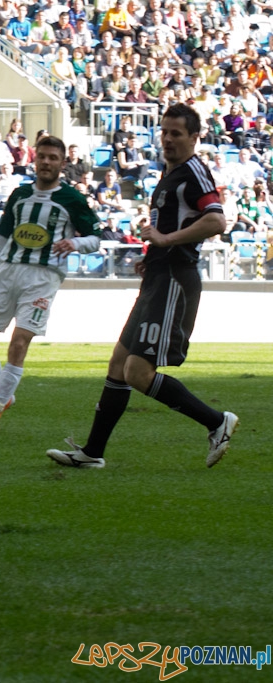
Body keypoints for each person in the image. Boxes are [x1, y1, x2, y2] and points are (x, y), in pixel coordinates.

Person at [47, 104, 238, 469]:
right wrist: (152, 254)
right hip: (158, 275)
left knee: (137, 372)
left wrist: (166, 241)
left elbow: (216, 220)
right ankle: (92, 453)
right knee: (119, 363)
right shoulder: (171, 173)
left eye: (176, 133)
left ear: (195, 137)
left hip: (174, 280)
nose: (167, 139)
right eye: (164, 132)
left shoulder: (194, 173)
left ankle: (217, 422)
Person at [0, 135, 102, 438]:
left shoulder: (72, 199)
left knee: (19, 343)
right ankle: (6, 393)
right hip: (8, 272)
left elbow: (95, 238)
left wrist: (76, 242)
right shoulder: (19, 195)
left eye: (53, 157)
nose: (46, 162)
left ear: (62, 163)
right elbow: (3, 239)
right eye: (42, 156)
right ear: (35, 159)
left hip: (43, 277)